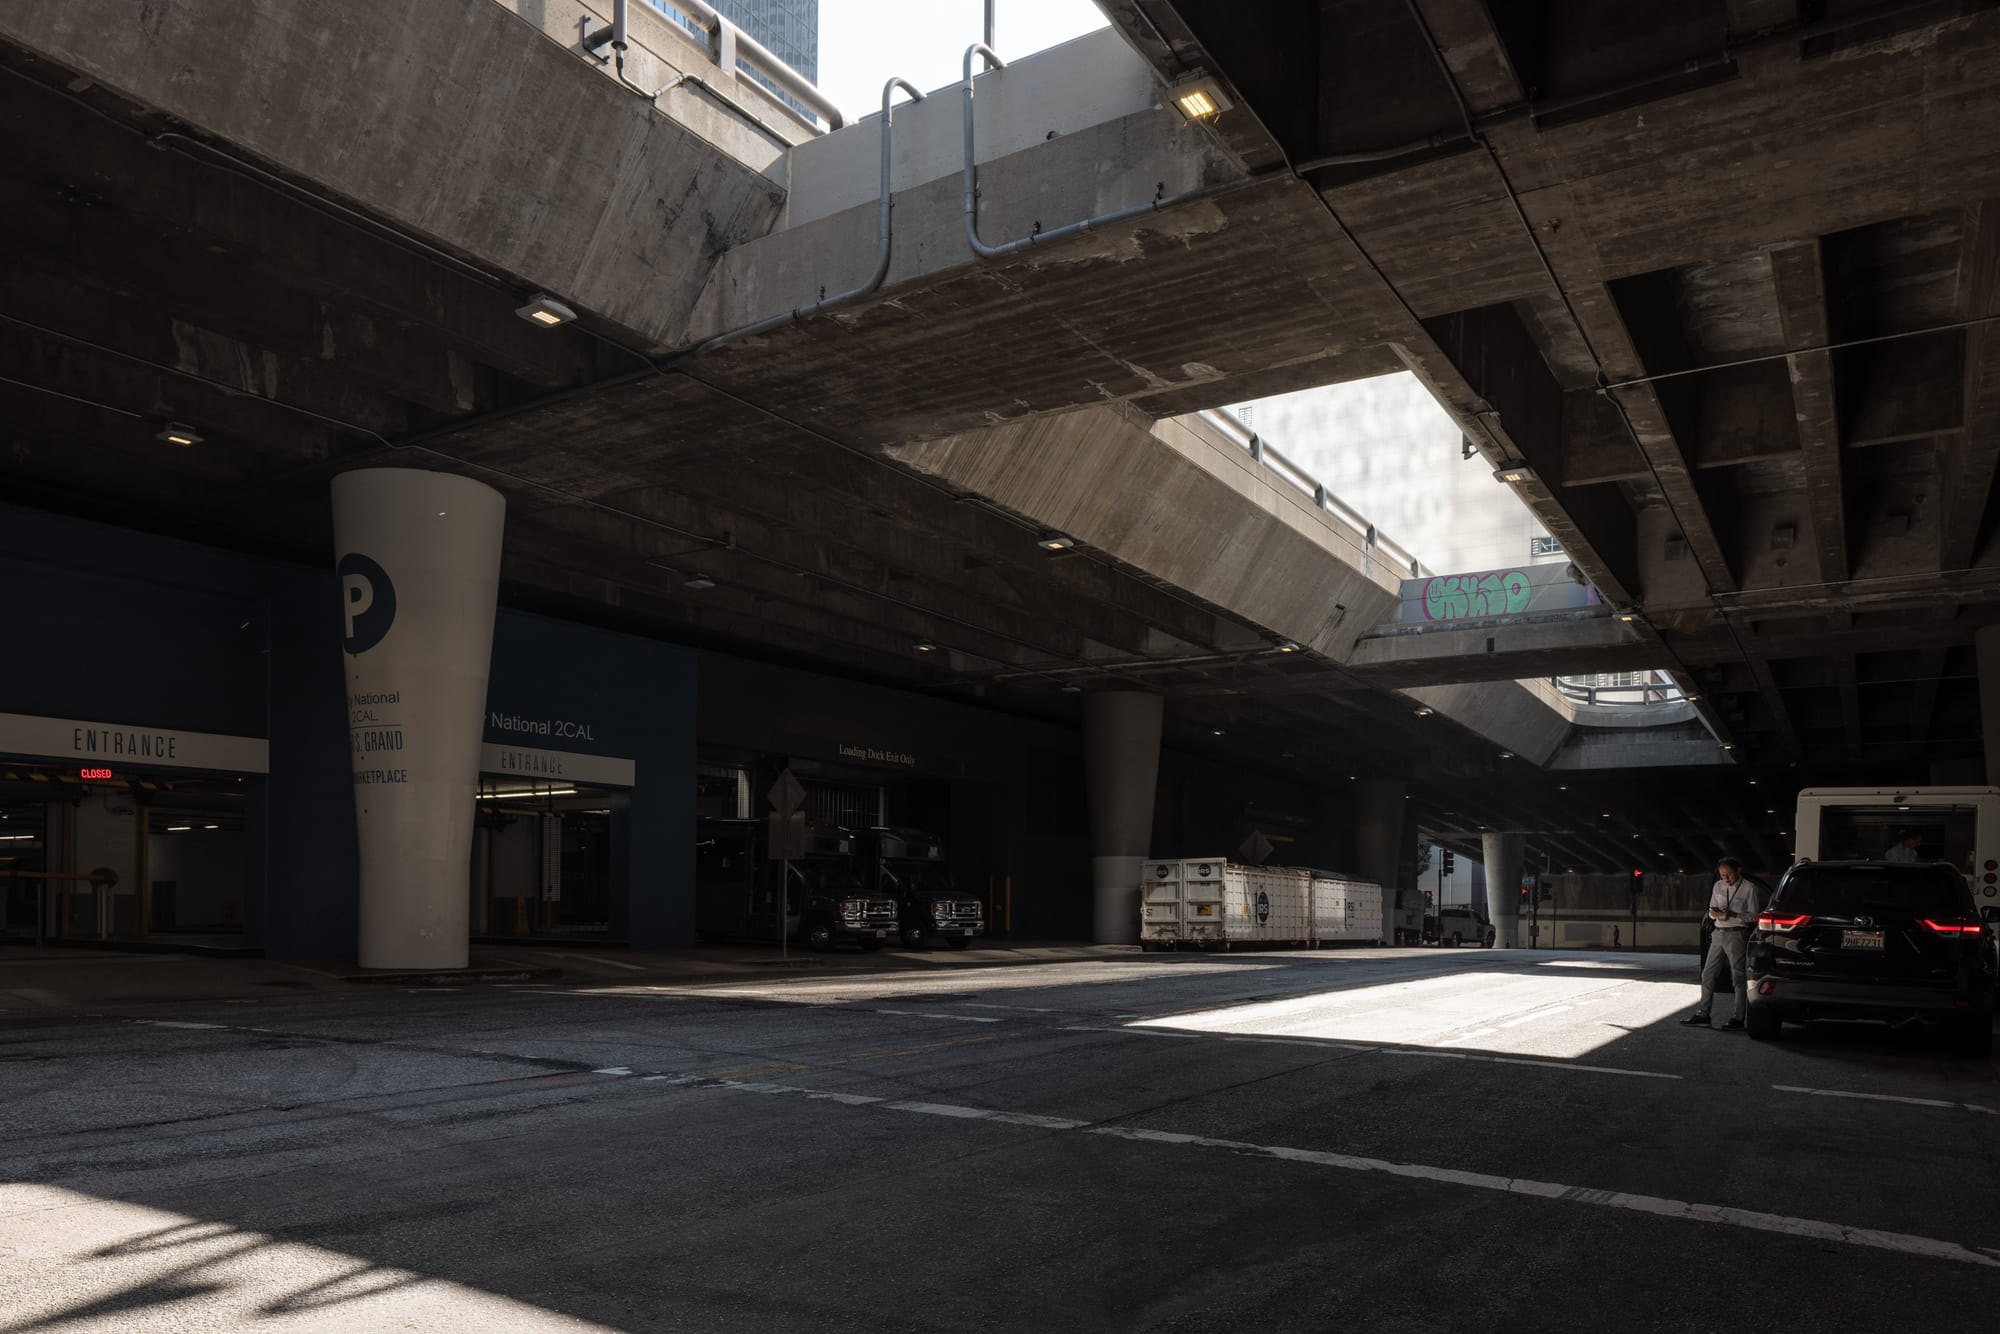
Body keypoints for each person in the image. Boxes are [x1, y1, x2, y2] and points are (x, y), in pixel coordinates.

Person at [1682, 857, 1764, 1030]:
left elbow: (1754, 916)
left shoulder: (1750, 888)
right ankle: (1703, 1014)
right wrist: (1716, 914)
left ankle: (1738, 1018)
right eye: (1722, 875)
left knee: (1738, 977)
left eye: (1729, 875)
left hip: (1737, 934)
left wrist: (1733, 914)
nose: (1726, 879)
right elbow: (1711, 911)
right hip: (1718, 933)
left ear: (1738, 870)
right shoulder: (1718, 886)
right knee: (1707, 974)